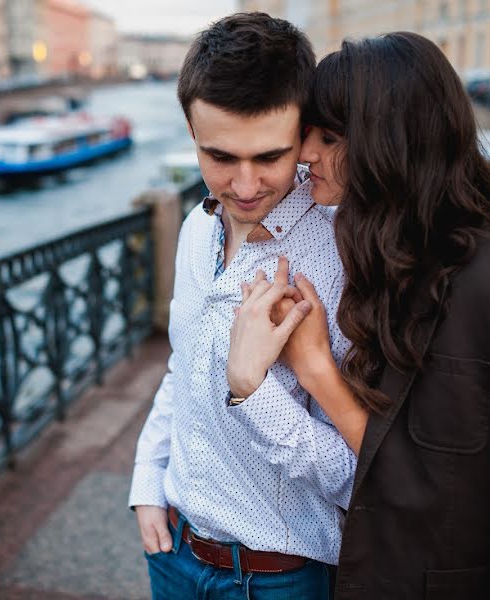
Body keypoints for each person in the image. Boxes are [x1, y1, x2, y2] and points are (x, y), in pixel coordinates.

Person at [226, 31, 490, 599]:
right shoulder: (377, 253)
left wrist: (313, 368)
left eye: (329, 136)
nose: (306, 154)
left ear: (392, 141)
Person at [128, 12, 357, 600]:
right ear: (191, 130)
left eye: (271, 157)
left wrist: (252, 392)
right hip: (173, 553)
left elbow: (361, 474)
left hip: (280, 578)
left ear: (305, 133)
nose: (247, 185)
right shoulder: (194, 229)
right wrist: (148, 479)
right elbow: (182, 369)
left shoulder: (342, 257)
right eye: (222, 158)